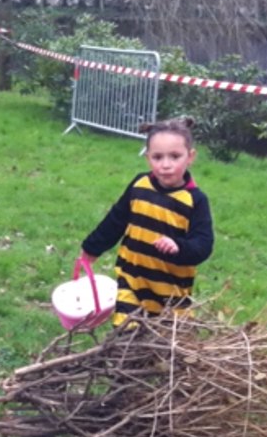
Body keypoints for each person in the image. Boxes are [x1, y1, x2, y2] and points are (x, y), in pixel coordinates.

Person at [79, 117, 214, 327]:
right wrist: (91, 249)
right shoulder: (139, 185)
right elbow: (115, 220)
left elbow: (203, 245)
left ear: (190, 157)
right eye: (157, 157)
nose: (166, 165)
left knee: (167, 352)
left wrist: (179, 247)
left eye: (175, 156)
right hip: (132, 282)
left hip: (172, 294)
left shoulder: (195, 201)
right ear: (148, 157)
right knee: (125, 338)